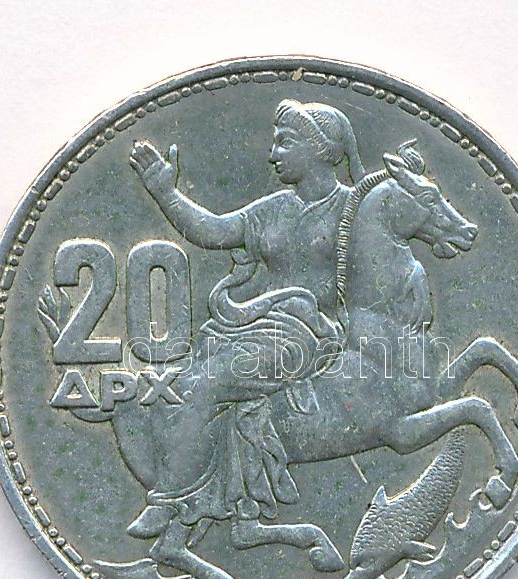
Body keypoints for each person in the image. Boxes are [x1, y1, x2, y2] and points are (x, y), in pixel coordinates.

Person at [128, 99, 365, 533]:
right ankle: (214, 500)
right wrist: (165, 193)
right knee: (176, 385)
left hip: (309, 334)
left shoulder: (355, 209)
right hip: (256, 324)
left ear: (319, 149)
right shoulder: (275, 207)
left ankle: (169, 502)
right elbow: (214, 231)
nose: (273, 155)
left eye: (285, 143)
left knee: (207, 383)